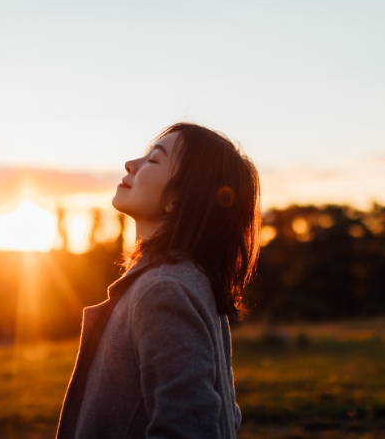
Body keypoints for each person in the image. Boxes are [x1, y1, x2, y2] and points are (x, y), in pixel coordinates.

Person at [56, 123, 261, 439]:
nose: (131, 164)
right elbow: (224, 415)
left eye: (153, 160)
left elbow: (190, 428)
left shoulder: (163, 290)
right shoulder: (192, 278)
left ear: (178, 199)